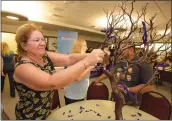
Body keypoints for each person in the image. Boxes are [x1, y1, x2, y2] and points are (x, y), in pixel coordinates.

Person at [13, 23, 105, 120]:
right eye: (36, 40)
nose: (43, 43)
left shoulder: (45, 56)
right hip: (29, 116)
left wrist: (90, 55)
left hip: (46, 111)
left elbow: (68, 58)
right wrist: (87, 62)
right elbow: (52, 82)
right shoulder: (22, 67)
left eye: (42, 39)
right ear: (24, 45)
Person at [64, 39, 94, 105]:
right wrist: (90, 68)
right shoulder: (75, 59)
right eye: (84, 46)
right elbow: (77, 78)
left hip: (80, 92)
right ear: (79, 46)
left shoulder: (82, 58)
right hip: (73, 95)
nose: (86, 48)